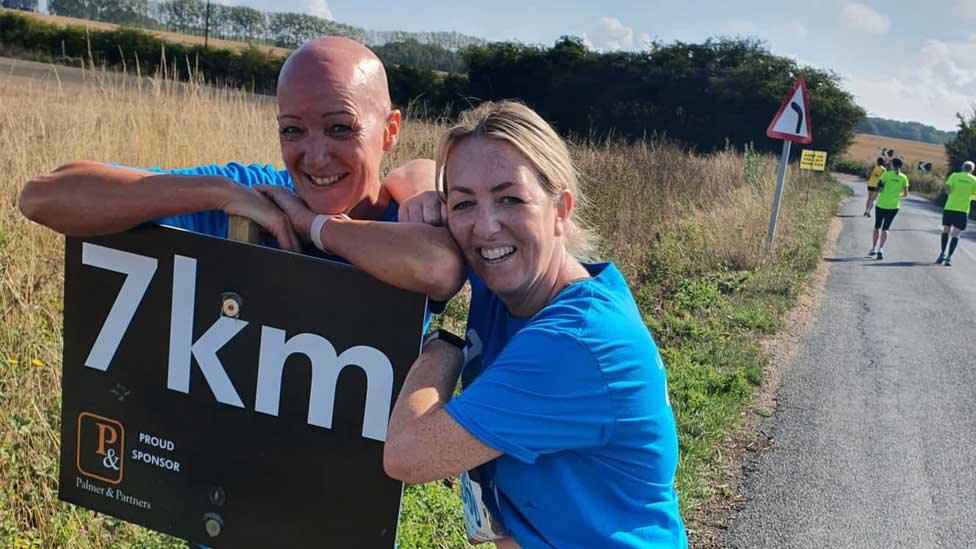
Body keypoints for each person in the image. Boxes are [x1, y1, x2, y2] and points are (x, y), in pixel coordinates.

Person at [385, 101, 687, 548]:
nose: (486, 227)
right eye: (465, 202)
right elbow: (405, 174)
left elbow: (408, 455)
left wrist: (443, 346)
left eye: (511, 199)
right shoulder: (516, 283)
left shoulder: (575, 342)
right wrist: (425, 200)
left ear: (560, 209)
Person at [18, 36, 463, 301]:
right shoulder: (254, 198)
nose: (316, 156)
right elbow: (43, 197)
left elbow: (438, 268)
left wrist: (315, 226)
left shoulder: (412, 216)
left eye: (340, 128)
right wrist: (216, 192)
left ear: (389, 131)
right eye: (292, 130)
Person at [936, 161, 976, 267]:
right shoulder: (974, 180)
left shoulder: (954, 176)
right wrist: (968, 197)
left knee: (946, 230)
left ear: (962, 168)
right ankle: (949, 258)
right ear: (972, 170)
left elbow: (947, 188)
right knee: (956, 234)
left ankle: (942, 253)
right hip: (962, 210)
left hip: (950, 207)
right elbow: (975, 196)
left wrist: (950, 193)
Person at [868, 157, 909, 260]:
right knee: (886, 228)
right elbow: (905, 194)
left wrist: (872, 199)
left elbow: (879, 188)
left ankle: (873, 248)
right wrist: (896, 194)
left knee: (877, 227)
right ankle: (880, 249)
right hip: (894, 206)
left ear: (892, 165)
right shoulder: (904, 178)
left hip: (881, 204)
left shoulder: (886, 174)